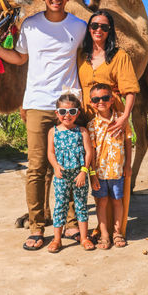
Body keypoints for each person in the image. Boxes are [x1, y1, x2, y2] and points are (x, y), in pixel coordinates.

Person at [0, 0, 86, 250]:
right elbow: (21, 58)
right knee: (37, 168)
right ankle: (38, 226)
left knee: (73, 164)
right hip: (38, 103)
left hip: (69, 105)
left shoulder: (80, 26)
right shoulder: (30, 25)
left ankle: (74, 222)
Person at [77, 9, 140, 241]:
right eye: (94, 26)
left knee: (114, 173)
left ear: (110, 30)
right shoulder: (81, 56)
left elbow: (130, 90)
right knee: (94, 171)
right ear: (89, 28)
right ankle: (96, 227)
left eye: (104, 27)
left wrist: (124, 119)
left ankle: (116, 231)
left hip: (113, 119)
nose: (98, 31)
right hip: (87, 118)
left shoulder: (119, 55)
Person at [47, 93, 95, 253]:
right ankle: (57, 239)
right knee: (60, 206)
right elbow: (50, 153)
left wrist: (84, 171)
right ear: (57, 113)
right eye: (62, 112)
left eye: (72, 112)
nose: (67, 115)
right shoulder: (53, 132)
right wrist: (55, 166)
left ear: (78, 113)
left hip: (79, 175)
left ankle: (84, 237)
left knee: (81, 205)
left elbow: (89, 152)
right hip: (61, 176)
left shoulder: (82, 131)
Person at [87, 83, 132, 249]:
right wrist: (92, 174)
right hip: (99, 172)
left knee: (117, 201)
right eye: (96, 99)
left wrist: (128, 165)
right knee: (102, 202)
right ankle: (104, 233)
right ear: (91, 102)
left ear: (112, 99)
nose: (101, 102)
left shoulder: (122, 119)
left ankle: (117, 232)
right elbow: (90, 152)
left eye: (105, 98)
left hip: (117, 171)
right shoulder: (92, 125)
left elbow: (128, 143)